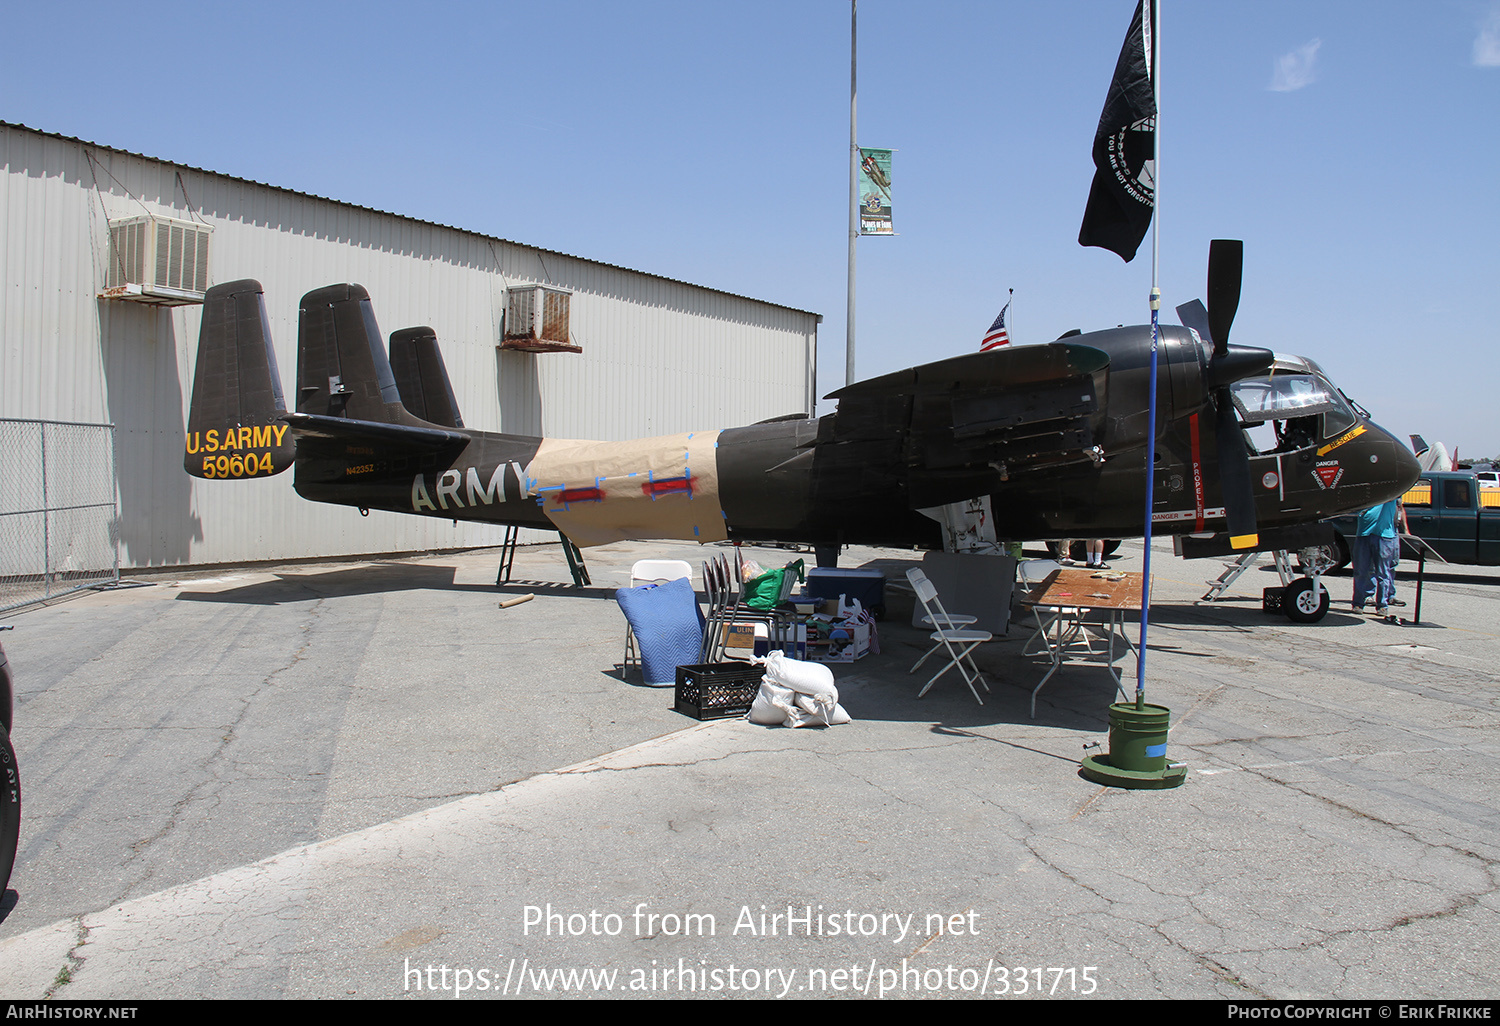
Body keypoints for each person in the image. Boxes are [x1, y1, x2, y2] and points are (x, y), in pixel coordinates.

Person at [1352, 498, 1400, 615]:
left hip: (1384, 536)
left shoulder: (1391, 490)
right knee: (1360, 571)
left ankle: (1382, 605)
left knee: (1383, 573)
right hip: (1364, 533)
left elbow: (1399, 506)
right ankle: (1358, 603)